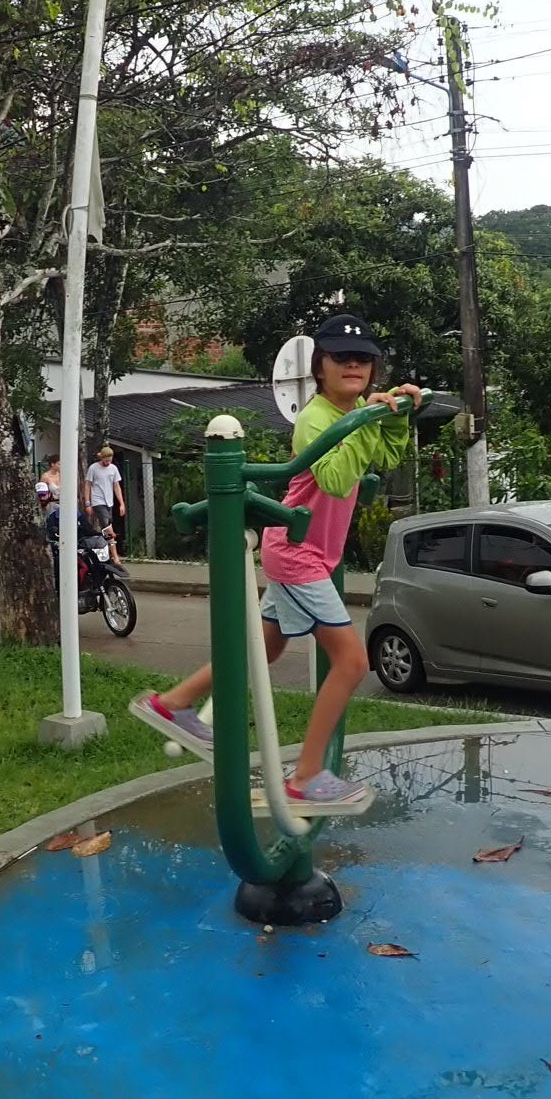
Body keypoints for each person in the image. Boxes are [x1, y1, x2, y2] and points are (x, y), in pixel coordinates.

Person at [132, 310, 421, 808]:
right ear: (320, 367)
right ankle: (306, 778)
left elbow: (386, 459)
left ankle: (171, 702)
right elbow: (333, 478)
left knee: (266, 649)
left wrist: (394, 418)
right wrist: (364, 422)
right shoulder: (315, 418)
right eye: (341, 357)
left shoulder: (351, 416)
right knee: (352, 663)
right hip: (299, 552)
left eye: (364, 359)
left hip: (301, 549)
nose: (353, 365)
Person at [85, 443, 127, 568]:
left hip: (109, 501)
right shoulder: (93, 468)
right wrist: (88, 502)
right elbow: (88, 485)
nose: (107, 462)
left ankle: (105, 552)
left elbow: (116, 486)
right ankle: (115, 556)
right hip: (98, 501)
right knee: (108, 528)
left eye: (110, 460)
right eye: (105, 460)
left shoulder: (113, 469)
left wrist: (121, 503)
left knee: (107, 526)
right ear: (101, 458)